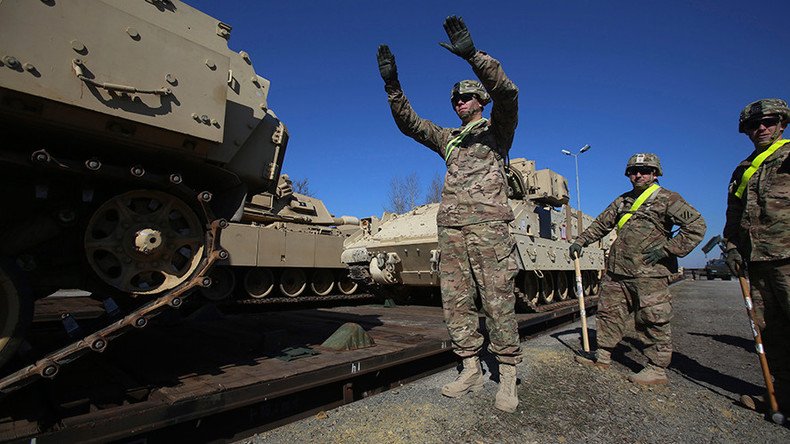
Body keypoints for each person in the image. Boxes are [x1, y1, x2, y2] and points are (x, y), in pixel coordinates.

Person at [376, 16, 521, 412]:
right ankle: (470, 367)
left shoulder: (497, 129)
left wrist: (474, 57)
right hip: (452, 229)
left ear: (480, 101)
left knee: (497, 299)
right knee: (455, 301)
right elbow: (411, 125)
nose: (458, 103)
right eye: (454, 99)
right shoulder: (449, 139)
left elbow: (508, 93)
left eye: (466, 97)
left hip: (489, 226)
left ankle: (507, 375)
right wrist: (393, 87)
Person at [569, 153, 706, 385]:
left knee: (652, 319)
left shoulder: (668, 199)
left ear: (655, 173)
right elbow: (602, 224)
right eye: (634, 171)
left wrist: (668, 250)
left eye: (644, 170)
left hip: (649, 274)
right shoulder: (622, 201)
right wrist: (581, 241)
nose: (638, 175)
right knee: (608, 314)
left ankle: (656, 369)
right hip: (617, 271)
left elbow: (696, 226)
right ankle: (602, 356)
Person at [723, 98, 790, 416]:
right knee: (771, 333)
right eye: (753, 124)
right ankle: (782, 396)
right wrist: (733, 248)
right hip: (759, 263)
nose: (761, 128)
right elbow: (733, 217)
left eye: (769, 121)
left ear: (782, 123)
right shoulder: (742, 171)